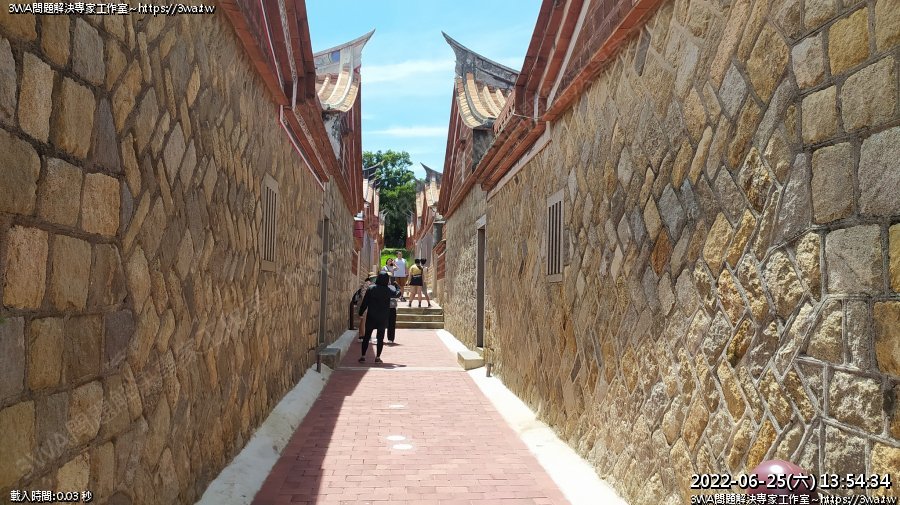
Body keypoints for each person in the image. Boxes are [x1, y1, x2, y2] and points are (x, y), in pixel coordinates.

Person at [357, 272, 393, 363]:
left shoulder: (371, 288)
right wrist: (396, 285)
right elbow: (397, 294)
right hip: (383, 317)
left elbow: (365, 302)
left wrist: (360, 313)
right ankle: (377, 357)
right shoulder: (388, 290)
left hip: (371, 316)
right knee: (380, 338)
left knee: (367, 336)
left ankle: (363, 356)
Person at [386, 277, 402, 343]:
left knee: (382, 324)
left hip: (384, 307)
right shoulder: (393, 287)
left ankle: (380, 338)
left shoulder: (380, 287)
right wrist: (397, 286)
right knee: (391, 324)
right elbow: (398, 294)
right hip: (391, 307)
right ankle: (390, 339)